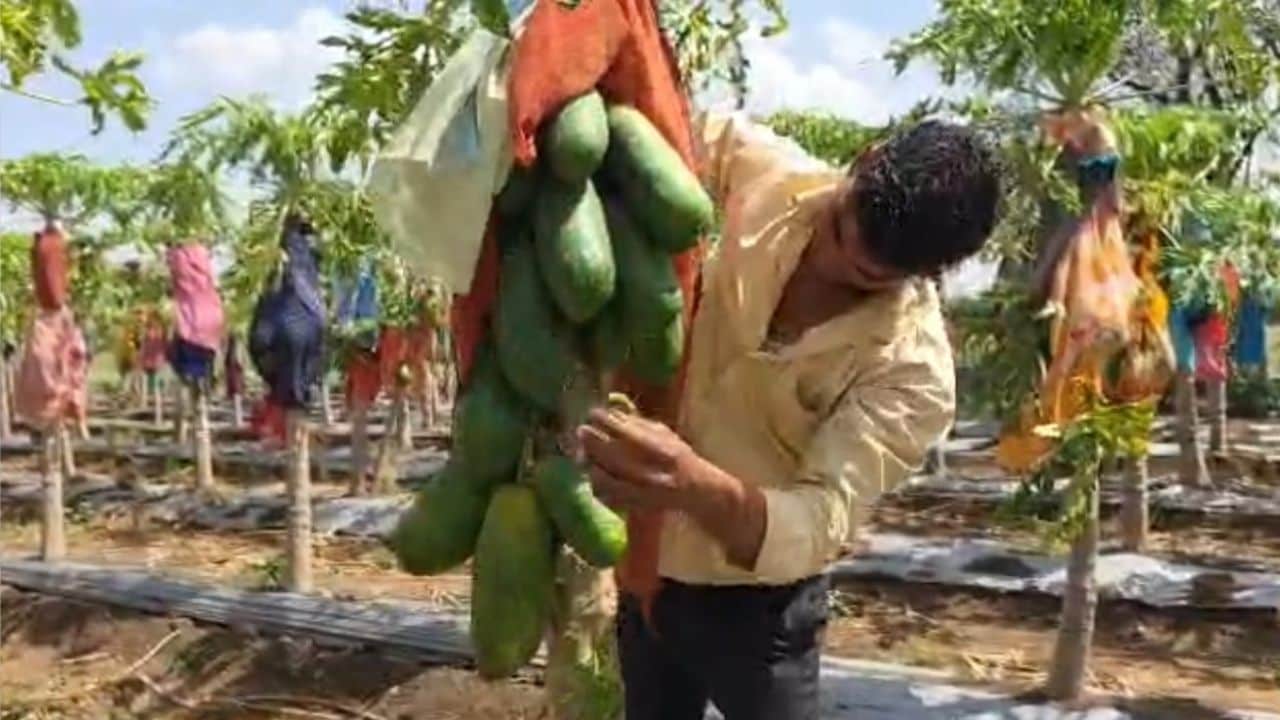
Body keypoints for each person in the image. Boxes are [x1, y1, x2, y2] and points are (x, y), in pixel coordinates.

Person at [576, 112, 1001, 720]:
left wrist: (697, 487)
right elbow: (670, 120)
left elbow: (823, 517)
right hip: (644, 566)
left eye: (864, 277)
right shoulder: (773, 176)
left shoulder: (914, 374)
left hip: (758, 609)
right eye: (835, 228)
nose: (832, 263)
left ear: (926, 272)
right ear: (866, 157)